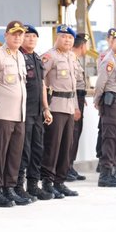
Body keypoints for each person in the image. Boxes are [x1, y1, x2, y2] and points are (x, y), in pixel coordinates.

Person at [0, 21, 30, 207]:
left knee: (14, 154)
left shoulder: (20, 56)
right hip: (1, 114)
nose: (17, 37)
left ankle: (9, 188)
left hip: (19, 115)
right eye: (14, 34)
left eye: (20, 34)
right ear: (5, 35)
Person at [40, 25, 79, 197]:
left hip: (69, 106)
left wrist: (76, 106)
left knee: (66, 146)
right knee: (52, 146)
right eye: (64, 37)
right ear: (57, 38)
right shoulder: (49, 56)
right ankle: (48, 182)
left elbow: (74, 85)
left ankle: (60, 181)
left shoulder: (72, 56)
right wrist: (45, 107)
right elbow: (40, 82)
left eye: (70, 38)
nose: (67, 40)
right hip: (55, 106)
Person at [16, 25, 53, 201]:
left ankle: (32, 185)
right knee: (24, 151)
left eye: (33, 36)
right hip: (24, 111)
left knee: (37, 149)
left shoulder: (37, 58)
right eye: (27, 36)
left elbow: (42, 85)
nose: (31, 39)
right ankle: (18, 186)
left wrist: (46, 108)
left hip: (37, 112)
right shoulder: (19, 57)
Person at [94, 30, 116, 187]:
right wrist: (97, 101)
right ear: (111, 42)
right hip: (112, 103)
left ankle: (114, 169)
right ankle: (105, 173)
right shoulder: (109, 60)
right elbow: (100, 83)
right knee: (110, 138)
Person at [68, 33, 89, 181]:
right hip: (72, 100)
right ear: (82, 46)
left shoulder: (75, 59)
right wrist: (76, 104)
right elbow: (71, 85)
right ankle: (66, 166)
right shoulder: (71, 59)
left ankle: (69, 165)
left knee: (76, 134)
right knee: (71, 135)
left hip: (79, 98)